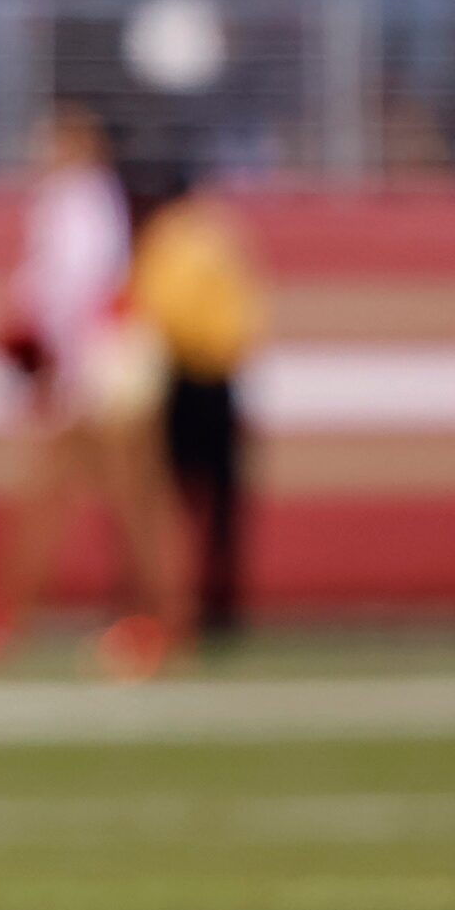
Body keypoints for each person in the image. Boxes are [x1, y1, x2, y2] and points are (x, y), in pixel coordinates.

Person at [0, 108, 183, 659]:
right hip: (104, 364)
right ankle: (12, 615)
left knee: (117, 497)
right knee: (106, 497)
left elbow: (68, 295)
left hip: (98, 368)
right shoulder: (86, 200)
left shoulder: (74, 201)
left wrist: (56, 375)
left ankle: (158, 617)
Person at [130, 163, 263, 646]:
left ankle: (168, 603)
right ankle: (219, 607)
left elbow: (157, 309)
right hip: (223, 378)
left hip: (182, 377)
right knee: (224, 506)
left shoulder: (165, 238)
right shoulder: (222, 234)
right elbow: (247, 309)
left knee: (168, 501)